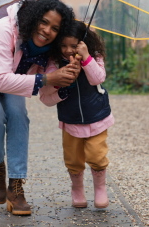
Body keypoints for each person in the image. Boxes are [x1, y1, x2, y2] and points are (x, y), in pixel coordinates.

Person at [0, 0, 80, 216]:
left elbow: (45, 95)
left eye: (55, 28)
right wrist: (48, 79)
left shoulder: (49, 51)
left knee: (18, 115)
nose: (47, 30)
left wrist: (64, 81)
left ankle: (16, 186)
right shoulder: (5, 30)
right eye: (44, 22)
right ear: (33, 18)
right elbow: (2, 81)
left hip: (9, 75)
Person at [39, 20, 114, 209]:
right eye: (63, 45)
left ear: (83, 43)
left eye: (73, 46)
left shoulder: (94, 56)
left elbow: (98, 78)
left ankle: (100, 189)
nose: (68, 50)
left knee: (97, 155)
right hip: (70, 119)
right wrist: (61, 81)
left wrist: (86, 57)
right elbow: (45, 97)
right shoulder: (54, 63)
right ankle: (77, 189)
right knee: (73, 158)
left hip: (96, 115)